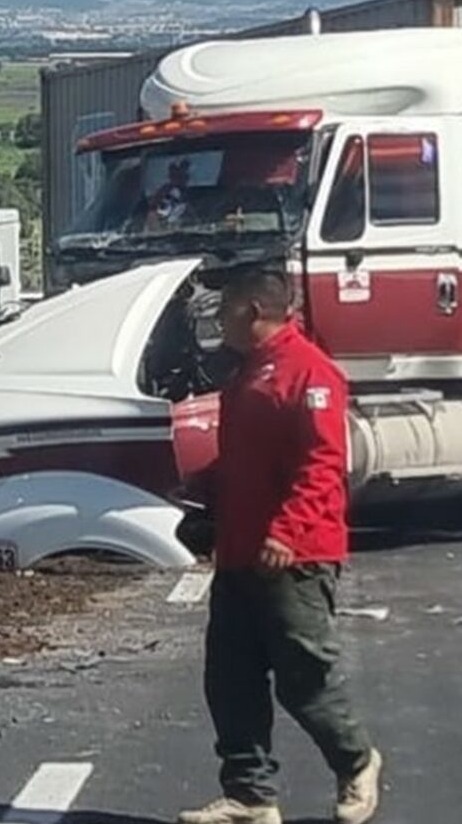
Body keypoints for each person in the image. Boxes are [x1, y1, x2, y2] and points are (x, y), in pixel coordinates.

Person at [179, 267, 382, 824]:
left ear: (253, 310)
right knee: (231, 676)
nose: (219, 320)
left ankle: (357, 762)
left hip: (294, 554)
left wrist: (286, 531)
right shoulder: (251, 373)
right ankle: (250, 795)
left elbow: (322, 465)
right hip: (241, 550)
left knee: (302, 674)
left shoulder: (310, 373)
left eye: (226, 309)